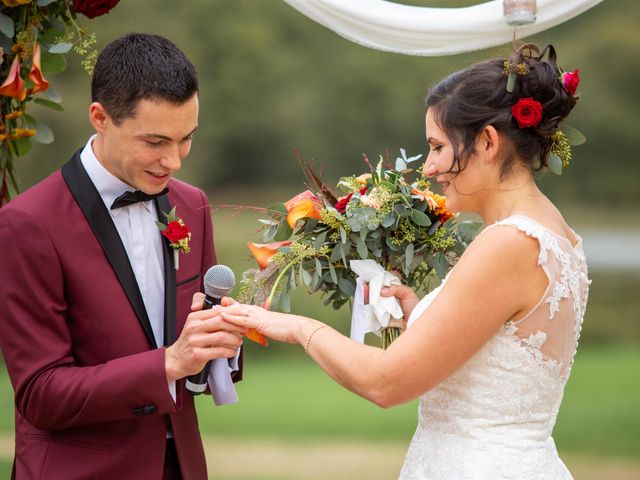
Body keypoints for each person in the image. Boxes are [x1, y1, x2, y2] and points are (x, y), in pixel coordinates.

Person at [221, 43, 590, 479]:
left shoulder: (508, 242)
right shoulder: (559, 233)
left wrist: (299, 326)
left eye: (437, 147)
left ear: (488, 142)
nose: (429, 168)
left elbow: (385, 383)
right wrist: (424, 316)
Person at [0, 33, 244, 479]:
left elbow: (196, 355)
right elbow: (40, 393)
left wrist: (222, 342)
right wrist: (168, 362)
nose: (174, 161)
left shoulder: (193, 206)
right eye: (154, 142)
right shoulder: (27, 224)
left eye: (185, 139)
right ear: (100, 118)